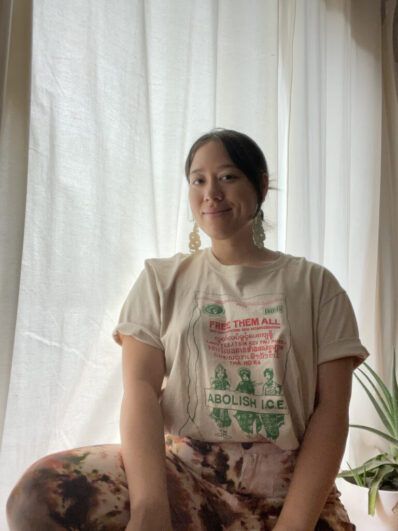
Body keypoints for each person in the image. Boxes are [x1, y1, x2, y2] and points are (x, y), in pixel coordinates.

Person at [7, 129, 369, 530]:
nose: (210, 192)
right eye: (198, 180)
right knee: (41, 494)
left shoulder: (317, 286)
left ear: (260, 184)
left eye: (228, 177)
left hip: (285, 489)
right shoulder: (161, 279)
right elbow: (141, 391)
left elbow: (332, 411)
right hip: (182, 475)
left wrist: (295, 523)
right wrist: (150, 507)